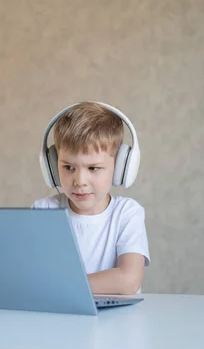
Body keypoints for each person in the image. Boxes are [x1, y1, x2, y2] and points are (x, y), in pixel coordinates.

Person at [33, 101, 150, 295]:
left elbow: (129, 281)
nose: (79, 181)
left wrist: (61, 285)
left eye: (93, 168)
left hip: (118, 322)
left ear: (120, 168)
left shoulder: (127, 213)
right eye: (68, 167)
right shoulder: (45, 211)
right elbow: (33, 277)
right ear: (53, 166)